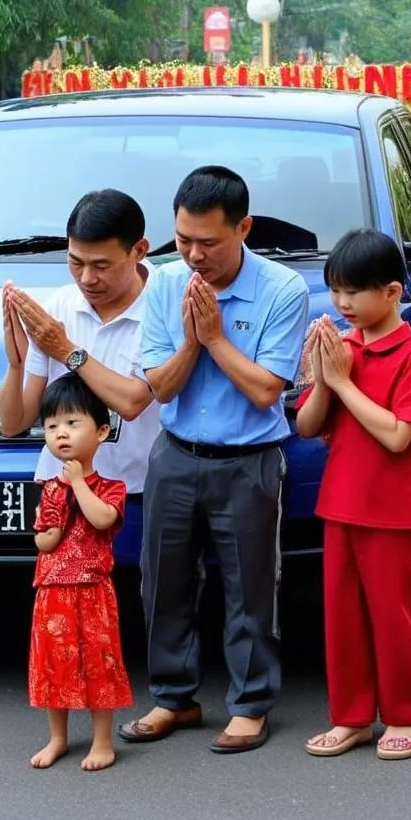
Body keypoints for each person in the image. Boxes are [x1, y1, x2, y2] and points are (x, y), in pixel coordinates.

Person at [120, 165, 309, 754]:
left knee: (250, 587)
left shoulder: (283, 290)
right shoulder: (164, 285)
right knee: (162, 582)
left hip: (248, 461)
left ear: (243, 228)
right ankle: (173, 697)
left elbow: (264, 390)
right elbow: (161, 386)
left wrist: (217, 337)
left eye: (208, 241)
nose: (194, 255)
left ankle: (251, 704)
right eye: (183, 240)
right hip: (175, 455)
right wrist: (191, 342)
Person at [296, 229, 411, 760]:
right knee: (344, 619)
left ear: (393, 293)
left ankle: (405, 716)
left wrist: (344, 382)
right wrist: (322, 376)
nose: (342, 303)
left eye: (353, 292)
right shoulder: (342, 348)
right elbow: (309, 426)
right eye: (336, 291)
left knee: (396, 619)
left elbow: (398, 436)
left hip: (393, 513)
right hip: (340, 505)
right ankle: (352, 718)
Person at [0, 189, 157, 501]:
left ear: (138, 250)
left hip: (135, 492)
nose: (86, 278)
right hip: (62, 492)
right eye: (75, 262)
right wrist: (15, 366)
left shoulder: (163, 305)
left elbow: (132, 403)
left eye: (101, 265)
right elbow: (14, 423)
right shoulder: (59, 306)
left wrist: (66, 350)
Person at [28, 373, 133, 772]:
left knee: (97, 664)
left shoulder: (110, 487)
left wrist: (78, 484)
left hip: (92, 589)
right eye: (52, 426)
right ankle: (57, 738)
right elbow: (45, 542)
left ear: (101, 431)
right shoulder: (50, 488)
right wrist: (46, 518)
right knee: (54, 665)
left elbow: (103, 519)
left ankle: (103, 742)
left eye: (73, 424)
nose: (61, 434)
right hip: (52, 588)